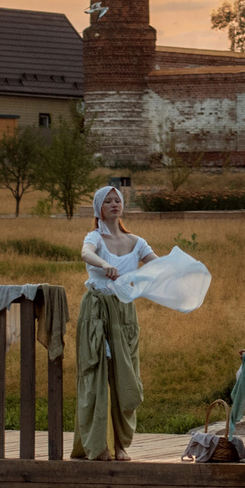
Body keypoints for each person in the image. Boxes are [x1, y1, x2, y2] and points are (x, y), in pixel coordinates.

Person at [75, 184, 150, 460]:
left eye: (117, 200)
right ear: (99, 209)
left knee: (125, 377)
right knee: (99, 376)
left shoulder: (137, 242)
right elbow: (85, 253)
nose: (114, 204)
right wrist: (103, 265)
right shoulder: (94, 237)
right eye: (107, 201)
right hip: (97, 312)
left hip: (124, 314)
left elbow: (156, 265)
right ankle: (100, 445)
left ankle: (120, 445)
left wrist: (178, 267)